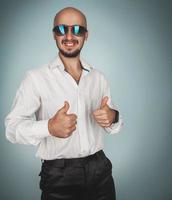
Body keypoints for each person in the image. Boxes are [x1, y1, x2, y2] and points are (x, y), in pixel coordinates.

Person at [5, 7, 123, 200]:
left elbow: (114, 126)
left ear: (86, 35)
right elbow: (11, 128)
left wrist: (113, 116)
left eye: (77, 30)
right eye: (61, 29)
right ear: (54, 35)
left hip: (100, 170)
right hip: (59, 176)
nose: (69, 36)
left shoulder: (98, 78)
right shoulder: (35, 78)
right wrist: (49, 127)